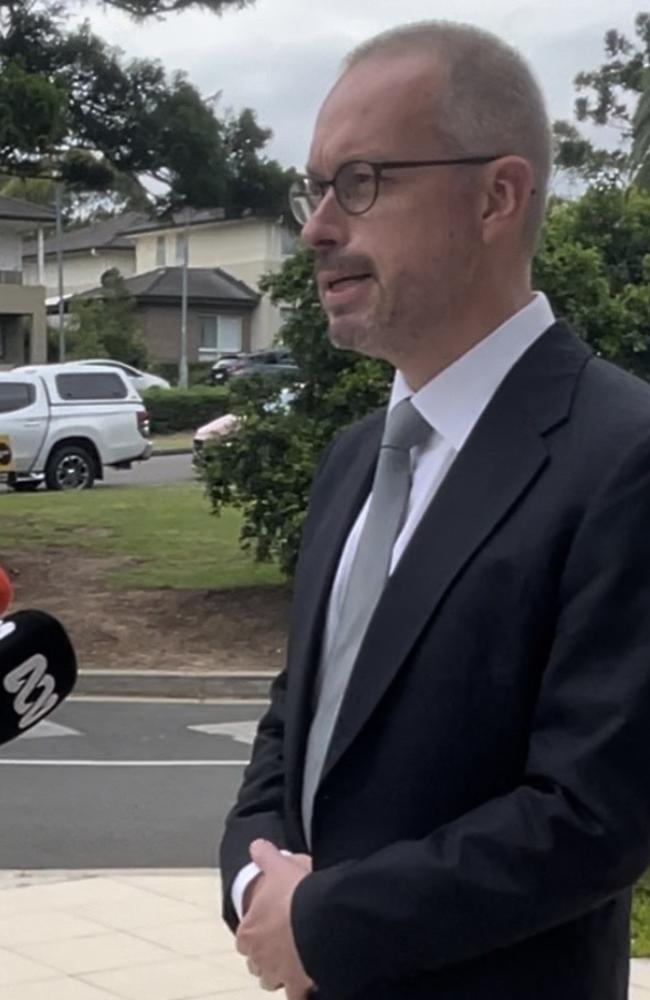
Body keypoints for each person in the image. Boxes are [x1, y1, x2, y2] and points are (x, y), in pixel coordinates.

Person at [219, 19, 650, 1000]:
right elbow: (295, 721)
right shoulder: (350, 460)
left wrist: (323, 921)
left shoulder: (621, 455)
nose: (319, 226)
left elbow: (592, 815)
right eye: (314, 187)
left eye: (361, 181)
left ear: (495, 196)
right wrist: (253, 877)